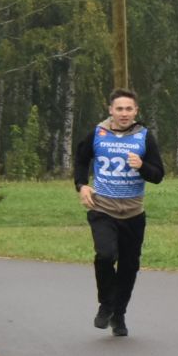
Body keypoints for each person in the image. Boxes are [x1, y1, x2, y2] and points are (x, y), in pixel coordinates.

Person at [74, 88, 165, 337]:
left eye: (129, 109)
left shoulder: (144, 137)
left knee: (128, 266)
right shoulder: (98, 133)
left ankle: (119, 314)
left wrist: (142, 166)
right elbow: (81, 159)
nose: (124, 114)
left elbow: (158, 175)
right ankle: (106, 304)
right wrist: (82, 186)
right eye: (119, 109)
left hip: (133, 213)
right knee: (105, 255)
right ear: (110, 110)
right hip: (102, 207)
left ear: (136, 111)